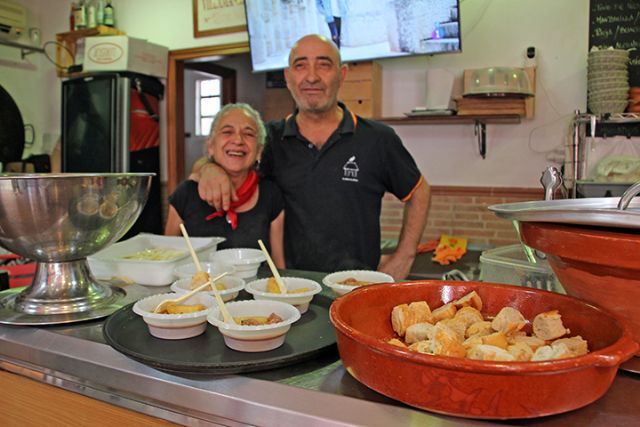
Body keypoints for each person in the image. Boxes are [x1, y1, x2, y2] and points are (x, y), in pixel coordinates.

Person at [196, 35, 430, 280]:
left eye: (323, 64)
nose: (311, 76)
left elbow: (419, 192)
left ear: (342, 74)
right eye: (301, 65)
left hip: (357, 287)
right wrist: (209, 168)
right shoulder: (269, 140)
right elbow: (229, 162)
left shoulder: (378, 139)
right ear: (288, 77)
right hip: (291, 288)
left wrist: (404, 256)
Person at [165, 103, 285, 268]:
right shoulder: (185, 194)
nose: (237, 140)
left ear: (259, 151)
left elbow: (278, 265)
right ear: (211, 147)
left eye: (248, 134)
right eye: (227, 132)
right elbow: (166, 259)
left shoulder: (271, 195)